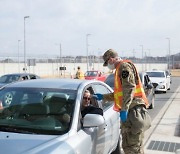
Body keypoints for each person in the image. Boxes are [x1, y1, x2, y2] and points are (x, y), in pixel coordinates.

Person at [94, 49, 151, 154]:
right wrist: (103, 96)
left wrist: (124, 109)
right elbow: (120, 94)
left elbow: (129, 88)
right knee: (131, 146)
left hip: (133, 111)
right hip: (131, 110)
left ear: (111, 59)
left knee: (132, 147)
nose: (108, 66)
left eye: (107, 63)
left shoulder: (123, 67)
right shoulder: (120, 69)